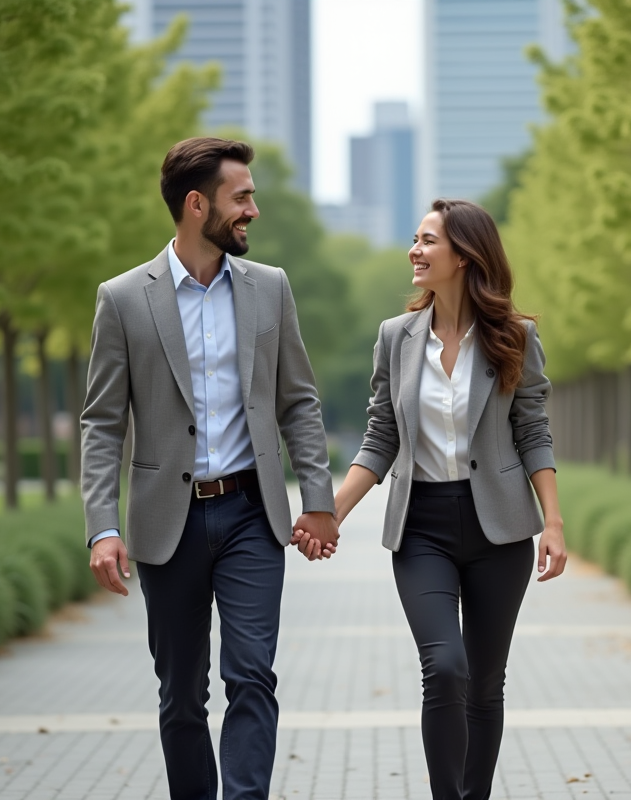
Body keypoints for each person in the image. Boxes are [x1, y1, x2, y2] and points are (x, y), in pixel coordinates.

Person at [80, 137, 339, 800]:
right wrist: (101, 527)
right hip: (169, 522)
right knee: (181, 696)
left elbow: (299, 402)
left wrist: (318, 499)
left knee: (252, 676)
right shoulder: (122, 299)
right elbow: (102, 424)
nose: (253, 208)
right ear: (198, 205)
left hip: (253, 512)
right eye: (241, 196)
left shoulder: (269, 289)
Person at [295, 198, 568, 800]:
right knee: (445, 668)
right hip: (422, 527)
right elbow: (380, 436)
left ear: (466, 257)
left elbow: (533, 431)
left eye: (427, 241)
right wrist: (329, 514)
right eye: (415, 240)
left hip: (500, 529)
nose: (414, 251)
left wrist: (552, 522)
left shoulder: (515, 336)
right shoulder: (396, 337)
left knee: (485, 684)